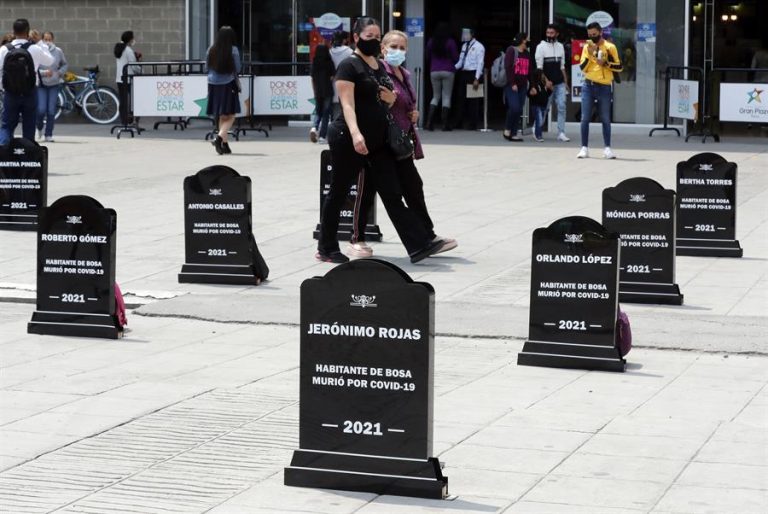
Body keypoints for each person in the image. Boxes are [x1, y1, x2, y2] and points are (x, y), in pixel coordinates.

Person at [317, 17, 445, 264]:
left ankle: (418, 244)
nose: (374, 41)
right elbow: (347, 104)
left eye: (377, 36)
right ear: (356, 37)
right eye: (369, 37)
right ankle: (327, 247)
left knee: (392, 191)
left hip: (378, 141)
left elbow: (385, 100)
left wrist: (389, 100)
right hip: (349, 137)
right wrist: (355, 134)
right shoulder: (348, 66)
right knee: (339, 191)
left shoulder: (377, 65)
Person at [350, 30, 457, 259]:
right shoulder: (379, 72)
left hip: (400, 141)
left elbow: (406, 103)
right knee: (379, 192)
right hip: (381, 141)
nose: (398, 51)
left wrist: (413, 113)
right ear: (383, 48)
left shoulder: (405, 74)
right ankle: (359, 239)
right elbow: (373, 105)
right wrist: (391, 103)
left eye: (402, 47)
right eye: (393, 46)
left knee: (413, 188)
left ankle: (427, 236)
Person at [0, 18, 53, 146]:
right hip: (30, 92)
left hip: (11, 92)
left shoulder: (4, 49)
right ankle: (27, 158)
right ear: (27, 31)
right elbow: (50, 61)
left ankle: (2, 154)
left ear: (13, 31)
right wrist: (40, 42)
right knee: (29, 126)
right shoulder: (34, 48)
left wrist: (2, 87)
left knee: (7, 126)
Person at [577, 22, 622, 160]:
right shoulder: (586, 47)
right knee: (585, 118)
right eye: (590, 35)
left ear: (600, 32)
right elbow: (583, 68)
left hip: (604, 86)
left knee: (605, 118)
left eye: (594, 34)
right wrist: (591, 56)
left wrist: (606, 63)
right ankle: (584, 147)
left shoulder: (610, 47)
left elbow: (619, 67)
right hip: (588, 85)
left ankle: (607, 148)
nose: (592, 37)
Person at [206, 26, 241, 155]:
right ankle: (219, 138)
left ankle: (224, 145)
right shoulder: (233, 50)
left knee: (222, 115)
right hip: (228, 83)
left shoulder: (211, 49)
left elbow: (206, 67)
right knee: (231, 115)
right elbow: (237, 68)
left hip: (213, 84)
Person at [534, 23, 570, 141]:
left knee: (562, 106)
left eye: (552, 33)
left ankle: (561, 133)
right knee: (545, 108)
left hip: (559, 83)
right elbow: (539, 68)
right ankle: (537, 128)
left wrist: (566, 82)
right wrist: (546, 81)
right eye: (548, 33)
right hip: (547, 84)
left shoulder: (560, 46)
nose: (549, 35)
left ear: (557, 34)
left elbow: (562, 66)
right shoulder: (541, 47)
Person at [425, 22, 458, 131]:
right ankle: (445, 124)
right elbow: (455, 57)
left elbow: (427, 56)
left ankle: (429, 123)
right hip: (448, 70)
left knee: (435, 96)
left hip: (434, 70)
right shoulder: (450, 42)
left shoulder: (431, 41)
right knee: (446, 96)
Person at [35, 31, 66, 142]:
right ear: (42, 40)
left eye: (50, 39)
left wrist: (59, 73)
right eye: (45, 39)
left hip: (54, 84)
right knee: (41, 109)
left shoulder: (58, 51)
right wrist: (43, 73)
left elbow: (64, 64)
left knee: (51, 110)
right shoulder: (39, 51)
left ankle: (49, 134)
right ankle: (39, 127)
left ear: (53, 40)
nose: (48, 42)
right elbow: (36, 67)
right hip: (41, 84)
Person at [453, 27, 485, 130]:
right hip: (464, 73)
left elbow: (480, 63)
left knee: (473, 100)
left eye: (467, 34)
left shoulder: (479, 47)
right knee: (460, 99)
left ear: (472, 35)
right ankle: (459, 122)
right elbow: (460, 61)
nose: (465, 36)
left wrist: (477, 78)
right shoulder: (464, 46)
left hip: (473, 73)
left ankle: (473, 124)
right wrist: (452, 68)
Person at [502, 32, 530, 142]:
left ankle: (513, 133)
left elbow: (529, 70)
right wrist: (512, 83)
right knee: (514, 107)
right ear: (523, 40)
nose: (528, 40)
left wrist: (531, 85)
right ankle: (507, 128)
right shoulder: (511, 50)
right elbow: (508, 67)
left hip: (523, 85)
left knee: (518, 109)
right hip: (511, 85)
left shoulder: (527, 53)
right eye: (527, 39)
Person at [309, 44, 334, 144]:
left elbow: (312, 78)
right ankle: (322, 137)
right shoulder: (329, 63)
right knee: (326, 114)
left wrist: (314, 90)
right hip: (327, 90)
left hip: (318, 91)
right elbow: (332, 77)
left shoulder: (314, 63)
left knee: (318, 111)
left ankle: (314, 128)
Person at [114, 30, 139, 127]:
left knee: (123, 101)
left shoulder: (118, 48)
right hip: (129, 79)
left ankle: (123, 121)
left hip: (120, 79)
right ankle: (132, 121)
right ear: (129, 39)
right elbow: (133, 65)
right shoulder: (128, 50)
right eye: (133, 38)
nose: (134, 40)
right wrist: (140, 69)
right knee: (133, 101)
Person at [329, 31, 353, 119]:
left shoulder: (330, 51)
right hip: (347, 82)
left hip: (332, 83)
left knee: (335, 112)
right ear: (344, 40)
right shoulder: (349, 52)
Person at [528, 69, 552, 143]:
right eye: (541, 74)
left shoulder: (543, 84)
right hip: (536, 105)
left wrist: (550, 89)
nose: (543, 76)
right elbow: (529, 93)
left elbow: (548, 94)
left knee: (541, 120)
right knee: (539, 119)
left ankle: (535, 130)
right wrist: (531, 92)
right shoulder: (534, 85)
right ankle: (538, 135)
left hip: (543, 105)